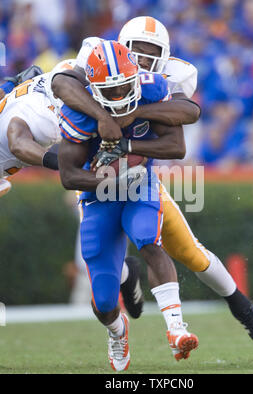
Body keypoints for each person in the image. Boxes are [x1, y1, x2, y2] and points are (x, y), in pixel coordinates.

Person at [52, 16, 253, 347]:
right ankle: (127, 278)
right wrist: (103, 117)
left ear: (164, 56)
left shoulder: (170, 76)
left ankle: (243, 308)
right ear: (122, 48)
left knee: (188, 251)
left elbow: (188, 112)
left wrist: (134, 114)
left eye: (150, 54)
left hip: (140, 177)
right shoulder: (97, 57)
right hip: (101, 179)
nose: (142, 61)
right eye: (136, 52)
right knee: (100, 261)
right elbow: (62, 83)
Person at [58, 41, 199, 371]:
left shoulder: (150, 88)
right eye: (113, 88)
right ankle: (118, 332)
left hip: (139, 182)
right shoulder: (79, 111)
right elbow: (69, 175)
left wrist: (128, 140)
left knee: (148, 237)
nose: (122, 91)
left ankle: (176, 328)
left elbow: (177, 144)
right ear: (94, 89)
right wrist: (110, 181)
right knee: (105, 301)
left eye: (126, 83)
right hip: (99, 197)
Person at [0, 68, 62, 198]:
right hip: (38, 100)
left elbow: (18, 145)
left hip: (38, 106)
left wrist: (12, 84)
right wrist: (12, 84)